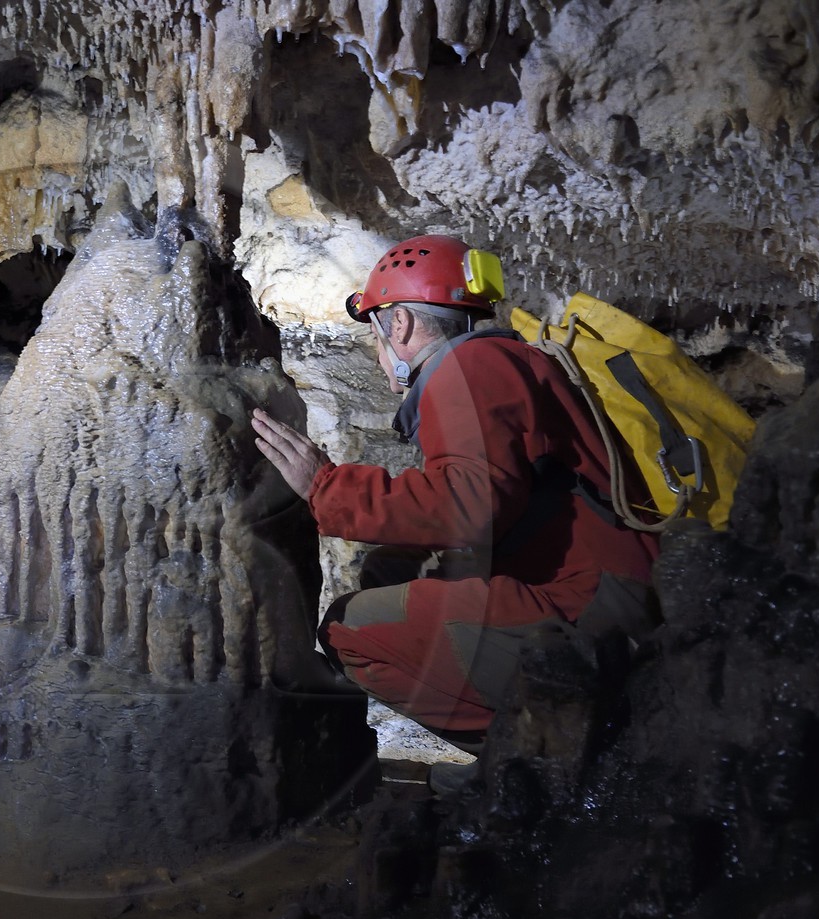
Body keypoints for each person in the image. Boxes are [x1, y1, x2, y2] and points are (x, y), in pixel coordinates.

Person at [251, 234, 659, 757]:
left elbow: (469, 504)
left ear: (398, 323)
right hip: (607, 588)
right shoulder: (502, 363)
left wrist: (323, 486)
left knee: (348, 630)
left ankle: (541, 756)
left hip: (592, 609)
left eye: (377, 333)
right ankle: (542, 745)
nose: (378, 353)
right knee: (390, 570)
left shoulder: (468, 370)